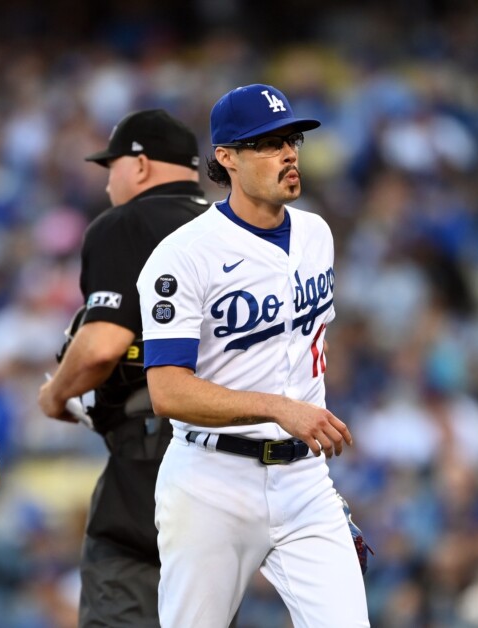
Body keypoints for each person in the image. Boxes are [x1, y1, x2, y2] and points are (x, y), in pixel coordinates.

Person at [136, 84, 370, 627]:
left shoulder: (316, 234)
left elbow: (307, 338)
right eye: (267, 143)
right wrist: (278, 406)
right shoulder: (184, 255)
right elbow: (167, 390)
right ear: (227, 158)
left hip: (304, 481)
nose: (289, 153)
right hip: (211, 480)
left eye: (291, 139)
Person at [38, 109, 210, 627]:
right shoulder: (231, 230)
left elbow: (100, 348)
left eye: (110, 166)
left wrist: (53, 396)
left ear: (138, 165)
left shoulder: (127, 223)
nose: (108, 179)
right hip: (229, 468)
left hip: (149, 463)